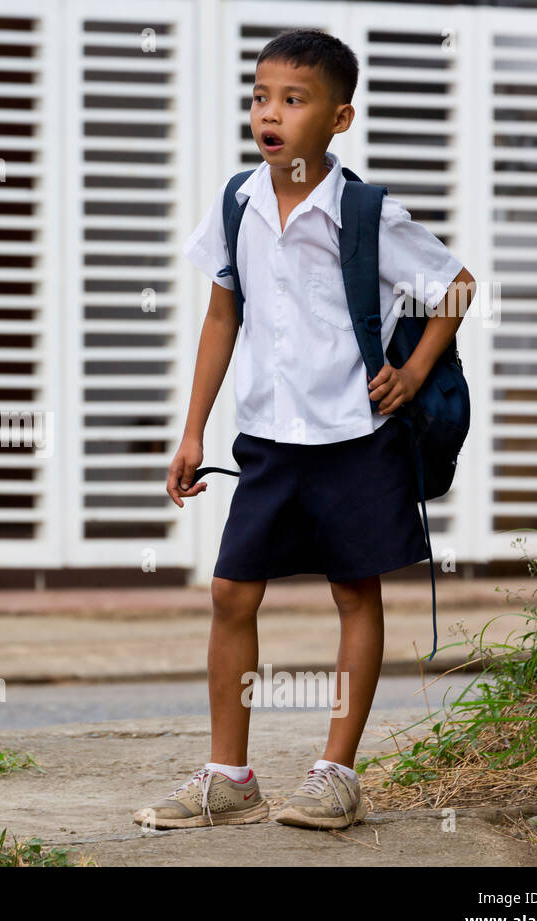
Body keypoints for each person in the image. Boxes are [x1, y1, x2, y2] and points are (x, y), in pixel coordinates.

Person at [133, 28, 476, 830]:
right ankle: (228, 775)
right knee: (229, 594)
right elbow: (222, 318)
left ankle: (335, 774)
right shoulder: (238, 203)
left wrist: (416, 370)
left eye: (294, 98)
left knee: (354, 592)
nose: (271, 113)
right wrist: (192, 434)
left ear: (339, 117)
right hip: (269, 437)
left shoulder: (366, 212)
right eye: (260, 96)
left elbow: (457, 285)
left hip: (357, 435)